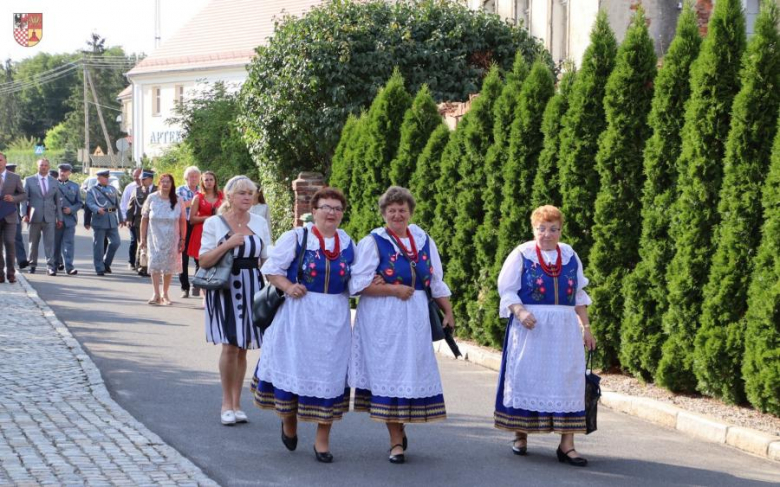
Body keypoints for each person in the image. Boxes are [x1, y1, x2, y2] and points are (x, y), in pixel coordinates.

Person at [349, 186, 454, 464]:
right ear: (384, 213)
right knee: (388, 374)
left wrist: (448, 312)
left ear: (410, 212)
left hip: (416, 316)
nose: (397, 215)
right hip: (382, 319)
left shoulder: (423, 239)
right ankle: (395, 440)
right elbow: (357, 284)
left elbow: (435, 280)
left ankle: (400, 425)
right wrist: (392, 290)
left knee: (410, 372)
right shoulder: (372, 241)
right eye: (392, 210)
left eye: (402, 210)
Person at [252, 187, 354, 463]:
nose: (332, 213)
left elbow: (354, 281)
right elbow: (271, 269)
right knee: (293, 367)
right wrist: (288, 285)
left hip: (334, 318)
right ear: (315, 210)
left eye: (337, 208)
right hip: (299, 314)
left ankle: (322, 441)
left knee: (330, 376)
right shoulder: (298, 237)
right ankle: (288, 421)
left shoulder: (347, 242)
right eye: (326, 207)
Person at [493, 205, 596, 467]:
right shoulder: (522, 254)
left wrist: (586, 328)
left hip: (564, 330)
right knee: (528, 377)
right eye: (542, 229)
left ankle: (567, 445)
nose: (547, 234)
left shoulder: (570, 255)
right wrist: (519, 311)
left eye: (553, 229)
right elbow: (507, 291)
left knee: (568, 381)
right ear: (533, 229)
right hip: (532, 328)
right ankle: (520, 434)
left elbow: (578, 296)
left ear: (560, 230)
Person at [199, 176, 270, 427]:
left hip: (252, 286)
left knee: (242, 348)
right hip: (225, 287)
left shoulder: (260, 222)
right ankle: (225, 404)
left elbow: (266, 257)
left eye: (250, 193)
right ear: (229, 196)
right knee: (229, 346)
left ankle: (238, 403)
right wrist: (227, 244)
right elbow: (204, 260)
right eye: (242, 193)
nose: (247, 197)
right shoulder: (214, 223)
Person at [140, 173, 186, 305]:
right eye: (163, 182)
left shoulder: (178, 200)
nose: (166, 184)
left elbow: (183, 220)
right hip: (154, 237)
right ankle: (155, 293)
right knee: (154, 264)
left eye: (168, 182)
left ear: (172, 184)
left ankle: (165, 293)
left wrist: (183, 239)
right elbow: (144, 219)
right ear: (159, 183)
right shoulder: (152, 198)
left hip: (172, 238)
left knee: (168, 266)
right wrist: (142, 238)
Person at [23, 158, 62, 276]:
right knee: (33, 243)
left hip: (50, 216)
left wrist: (60, 218)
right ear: (37, 166)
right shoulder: (29, 180)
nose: (43, 167)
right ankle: (32, 265)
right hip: (34, 216)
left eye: (45, 165)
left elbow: (58, 202)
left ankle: (50, 267)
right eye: (41, 165)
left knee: (49, 243)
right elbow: (24, 199)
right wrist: (24, 214)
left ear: (49, 167)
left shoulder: (54, 182)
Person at [187, 171, 223, 298]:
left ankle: (211, 286)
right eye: (206, 180)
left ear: (215, 181)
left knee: (217, 260)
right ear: (202, 182)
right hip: (201, 232)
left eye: (211, 179)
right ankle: (201, 288)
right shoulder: (198, 197)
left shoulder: (221, 196)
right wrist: (209, 218)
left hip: (218, 232)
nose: (208, 182)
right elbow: (191, 219)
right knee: (201, 261)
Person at [86, 169, 124, 276]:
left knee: (116, 242)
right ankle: (99, 267)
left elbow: (117, 205)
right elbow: (89, 203)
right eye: (104, 177)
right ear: (98, 178)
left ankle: (106, 263)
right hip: (99, 219)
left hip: (112, 219)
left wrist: (121, 218)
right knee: (98, 246)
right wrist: (97, 209)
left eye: (107, 177)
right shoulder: (92, 190)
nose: (107, 179)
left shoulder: (112, 189)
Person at [0, 153, 27, 284]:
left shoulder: (14, 177)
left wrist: (13, 198)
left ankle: (11, 272)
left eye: (0, 160)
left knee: (10, 242)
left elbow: (23, 194)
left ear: (5, 162)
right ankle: (0, 273)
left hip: (10, 215)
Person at [126, 170, 157, 275]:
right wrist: (129, 219)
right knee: (142, 243)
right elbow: (131, 205)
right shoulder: (137, 190)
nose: (141, 181)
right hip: (139, 220)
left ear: (150, 179)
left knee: (152, 244)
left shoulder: (158, 190)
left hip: (154, 221)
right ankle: (141, 266)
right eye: (141, 179)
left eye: (144, 179)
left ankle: (150, 266)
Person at [54, 164, 82, 275]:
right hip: (56, 219)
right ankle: (54, 265)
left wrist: (71, 209)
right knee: (55, 244)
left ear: (69, 172)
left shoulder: (75, 186)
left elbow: (79, 203)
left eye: (65, 171)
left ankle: (69, 267)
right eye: (61, 171)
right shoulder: (52, 184)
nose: (63, 173)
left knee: (69, 243)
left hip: (69, 219)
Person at [177, 166, 200, 298]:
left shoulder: (201, 190)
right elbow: (179, 206)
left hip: (197, 225)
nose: (194, 179)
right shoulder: (180, 190)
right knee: (183, 257)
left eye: (196, 176)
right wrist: (194, 202)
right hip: (183, 224)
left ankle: (196, 284)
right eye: (191, 176)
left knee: (199, 257)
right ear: (186, 178)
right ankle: (184, 287)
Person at [4, 163, 29, 270]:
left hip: (14, 214)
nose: (12, 171)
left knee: (17, 237)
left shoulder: (16, 181)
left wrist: (14, 198)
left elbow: (23, 196)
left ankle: (22, 260)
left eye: (13, 170)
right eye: (10, 170)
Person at [121, 167, 143, 269]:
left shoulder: (150, 187)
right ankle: (131, 261)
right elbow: (124, 203)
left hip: (146, 218)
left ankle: (142, 262)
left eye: (138, 176)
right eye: (134, 176)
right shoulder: (129, 187)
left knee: (144, 240)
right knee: (134, 240)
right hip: (133, 218)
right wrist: (125, 218)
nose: (136, 178)